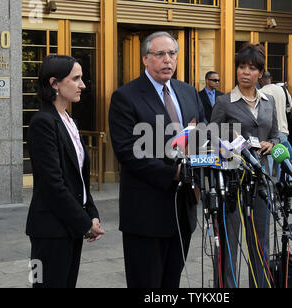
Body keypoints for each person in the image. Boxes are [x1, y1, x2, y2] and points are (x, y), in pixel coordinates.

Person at [108, 31, 205, 288]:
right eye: (160, 54)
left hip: (183, 210)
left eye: (172, 54)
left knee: (171, 283)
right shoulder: (125, 97)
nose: (167, 60)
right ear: (145, 59)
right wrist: (172, 172)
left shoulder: (188, 92)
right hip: (146, 214)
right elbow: (128, 151)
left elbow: (202, 133)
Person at [26, 55, 105, 288]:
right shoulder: (43, 122)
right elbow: (53, 184)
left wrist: (91, 212)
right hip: (48, 230)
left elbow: (78, 178)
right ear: (54, 83)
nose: (83, 85)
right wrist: (85, 223)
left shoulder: (69, 120)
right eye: (76, 78)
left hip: (69, 227)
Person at [210, 43, 280, 288]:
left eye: (251, 68)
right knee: (229, 240)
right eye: (241, 67)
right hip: (231, 179)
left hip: (261, 180)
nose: (245, 72)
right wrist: (228, 147)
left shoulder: (269, 101)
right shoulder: (224, 102)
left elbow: (277, 134)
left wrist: (271, 143)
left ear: (260, 73)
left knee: (259, 240)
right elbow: (212, 138)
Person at [259, 71, 292, 178]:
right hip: (283, 130)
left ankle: (270, 189)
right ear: (270, 78)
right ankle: (284, 190)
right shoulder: (283, 90)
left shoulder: (260, 92)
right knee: (284, 164)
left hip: (269, 134)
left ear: (260, 79)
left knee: (269, 166)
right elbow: (289, 107)